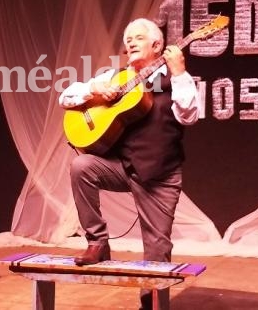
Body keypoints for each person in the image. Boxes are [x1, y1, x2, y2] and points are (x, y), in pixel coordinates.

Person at [59, 18, 200, 310]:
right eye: (127, 40)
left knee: (157, 252)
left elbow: (189, 116)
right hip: (124, 168)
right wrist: (95, 93)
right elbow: (66, 97)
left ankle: (150, 307)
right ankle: (97, 242)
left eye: (137, 38)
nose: (130, 43)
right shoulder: (117, 77)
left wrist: (180, 73)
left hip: (160, 175)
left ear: (157, 45)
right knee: (81, 165)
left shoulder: (175, 78)